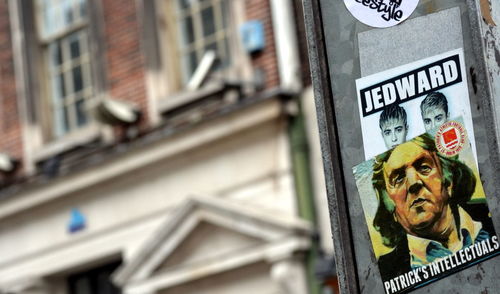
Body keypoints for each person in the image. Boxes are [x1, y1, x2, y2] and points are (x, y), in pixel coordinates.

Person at [371, 133, 495, 281]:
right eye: (398, 179)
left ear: (448, 181)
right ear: (389, 205)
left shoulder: (492, 217)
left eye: (424, 168)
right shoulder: (384, 274)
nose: (413, 183)